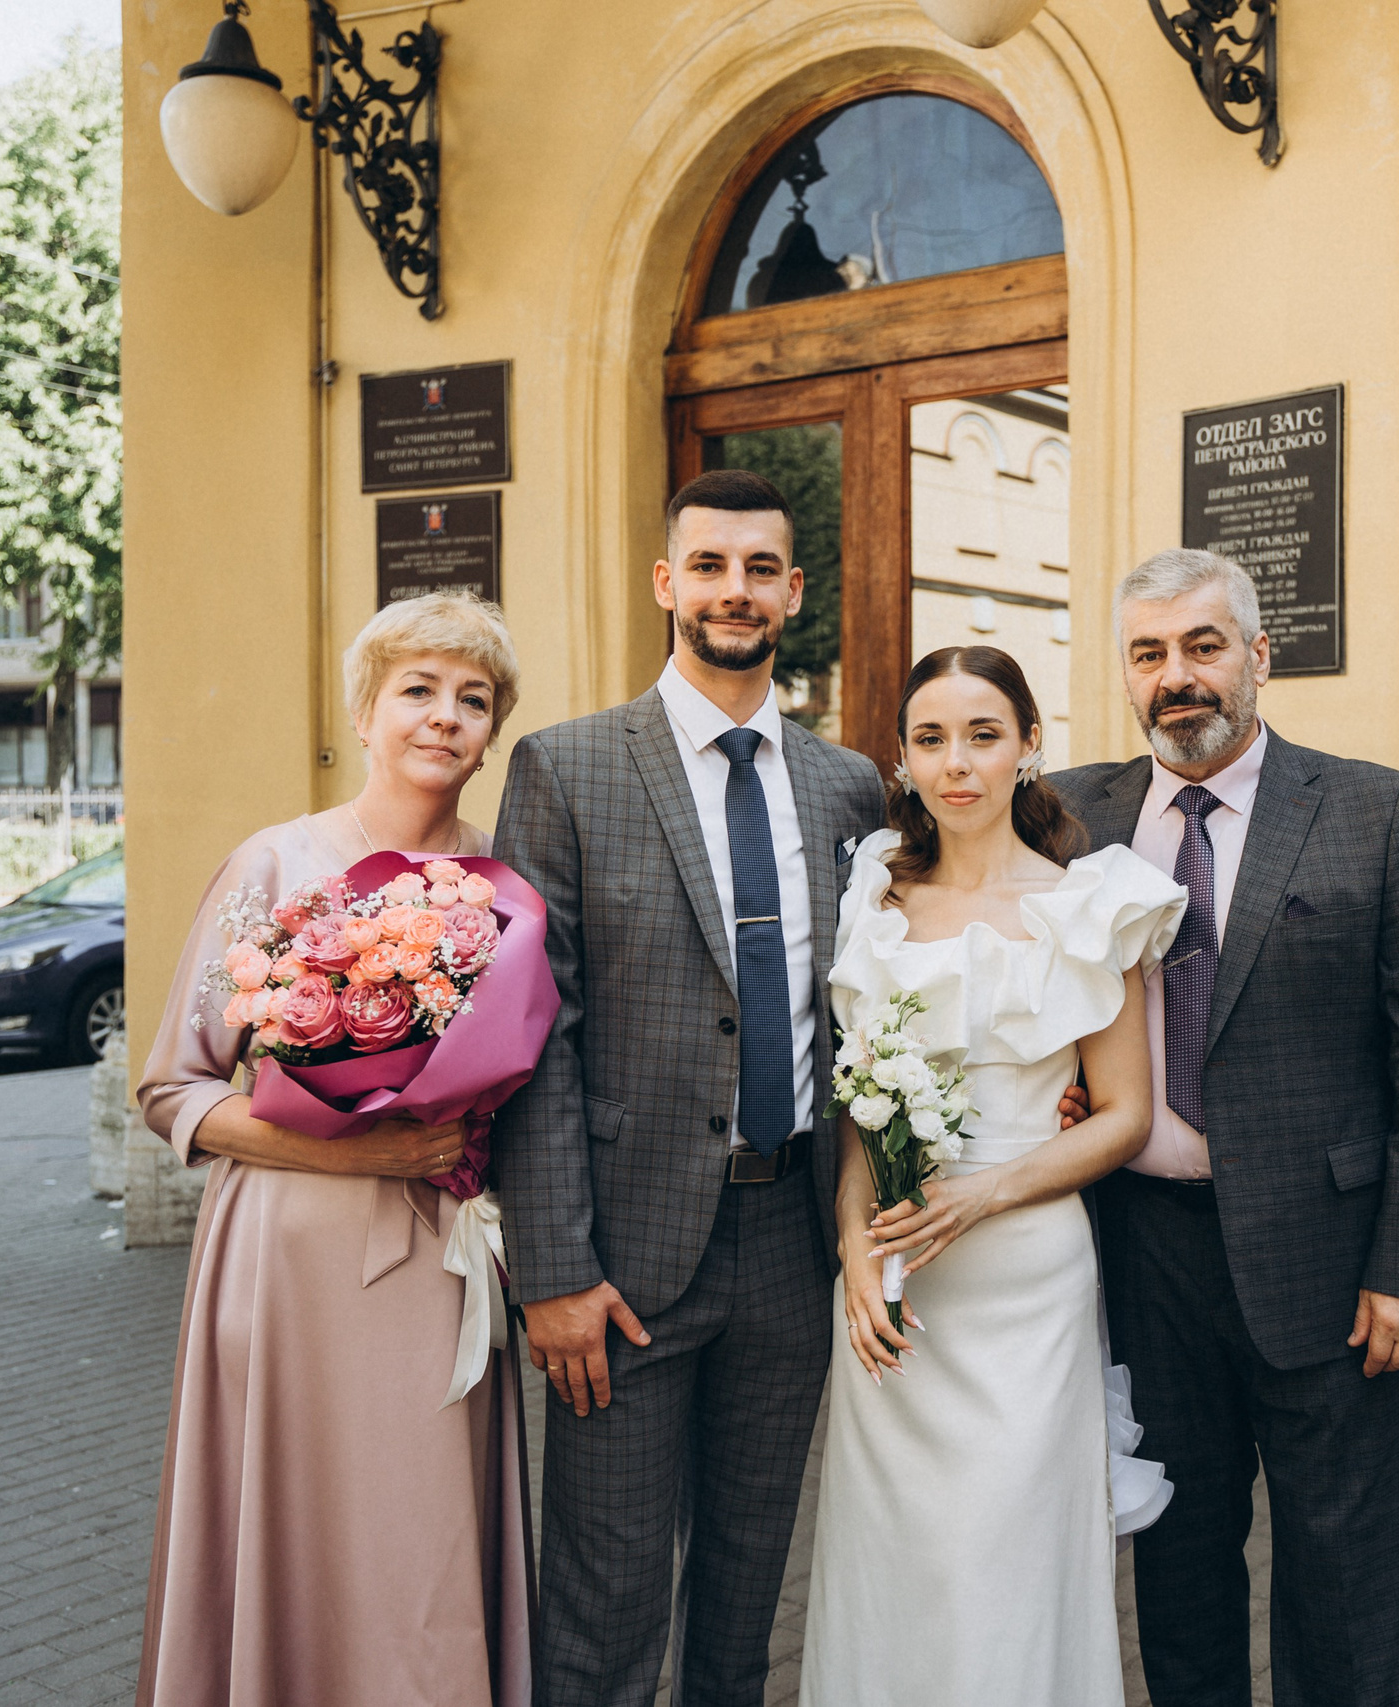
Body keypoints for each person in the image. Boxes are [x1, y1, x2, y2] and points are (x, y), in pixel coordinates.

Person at [1050, 548, 1399, 1707]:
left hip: (1328, 1265)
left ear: (1257, 657)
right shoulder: (1071, 818)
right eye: (1148, 654)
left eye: (1201, 646)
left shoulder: (1370, 809)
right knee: (1180, 1569)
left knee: (1342, 1580)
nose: (1175, 677)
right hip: (1141, 1255)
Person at [491, 469, 888, 1707]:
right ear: (668, 583)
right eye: (709, 566)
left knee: (742, 1590)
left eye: (759, 568)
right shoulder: (565, 768)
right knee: (603, 1609)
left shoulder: (850, 786)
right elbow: (531, 1034)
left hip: (789, 1241)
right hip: (624, 1255)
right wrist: (552, 1270)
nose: (734, 590)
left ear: (793, 592)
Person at [134, 591, 534, 1707]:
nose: (443, 717)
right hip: (291, 1258)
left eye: (473, 698)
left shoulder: (510, 890)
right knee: (301, 1522)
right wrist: (359, 1159)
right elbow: (172, 1089)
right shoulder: (276, 867)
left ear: (492, 729)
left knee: (424, 1528)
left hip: (440, 1259)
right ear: (365, 711)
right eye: (417, 690)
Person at [798, 646, 1185, 1707]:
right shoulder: (872, 898)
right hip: (896, 1291)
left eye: (982, 735)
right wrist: (853, 1251)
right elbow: (856, 1114)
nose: (956, 762)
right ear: (902, 758)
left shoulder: (1086, 907)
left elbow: (1122, 1117)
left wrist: (985, 1191)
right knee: (895, 1566)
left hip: (1025, 1281)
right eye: (930, 738)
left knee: (1006, 1564)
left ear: (1026, 748)